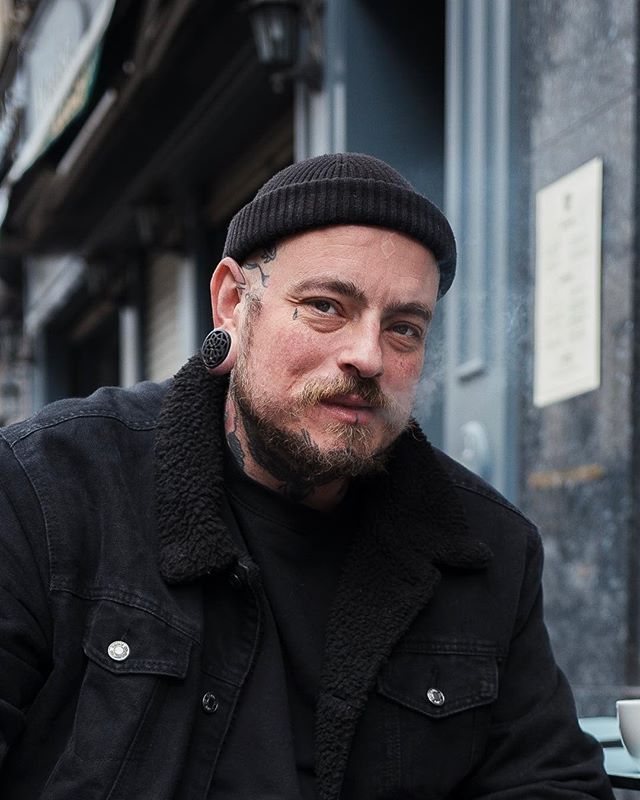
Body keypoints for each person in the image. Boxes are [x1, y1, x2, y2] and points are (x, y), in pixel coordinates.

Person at [0, 152, 613, 799]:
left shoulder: (487, 550)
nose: (368, 355)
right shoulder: (51, 491)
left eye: (404, 328)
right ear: (234, 303)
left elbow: (552, 783)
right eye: (326, 306)